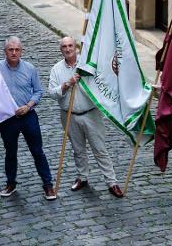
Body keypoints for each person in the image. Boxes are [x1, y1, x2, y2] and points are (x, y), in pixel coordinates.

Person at [48, 36, 124, 198]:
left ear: (76, 47)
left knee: (99, 149)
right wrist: (67, 84)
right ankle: (82, 177)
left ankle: (112, 182)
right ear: (60, 50)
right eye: (64, 47)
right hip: (69, 115)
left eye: (70, 45)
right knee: (78, 149)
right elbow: (52, 93)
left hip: (91, 114)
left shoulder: (87, 64)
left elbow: (103, 81)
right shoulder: (56, 69)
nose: (68, 49)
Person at [0, 36, 56, 201]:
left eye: (17, 50)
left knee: (37, 151)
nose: (14, 53)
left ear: (21, 51)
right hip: (7, 119)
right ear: (5, 51)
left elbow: (38, 91)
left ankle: (48, 184)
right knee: (10, 152)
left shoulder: (30, 68)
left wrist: (28, 106)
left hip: (28, 116)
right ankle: (11, 183)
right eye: (10, 50)